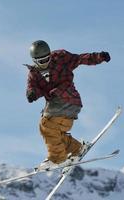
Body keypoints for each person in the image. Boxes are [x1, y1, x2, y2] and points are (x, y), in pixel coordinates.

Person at [25, 40, 110, 170]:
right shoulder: (34, 74)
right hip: (56, 105)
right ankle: (77, 148)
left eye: (47, 59)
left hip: (68, 98)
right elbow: (32, 87)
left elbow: (80, 59)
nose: (45, 62)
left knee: (46, 125)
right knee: (48, 130)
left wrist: (99, 56)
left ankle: (58, 158)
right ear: (35, 61)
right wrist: (32, 93)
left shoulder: (60, 58)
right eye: (41, 61)